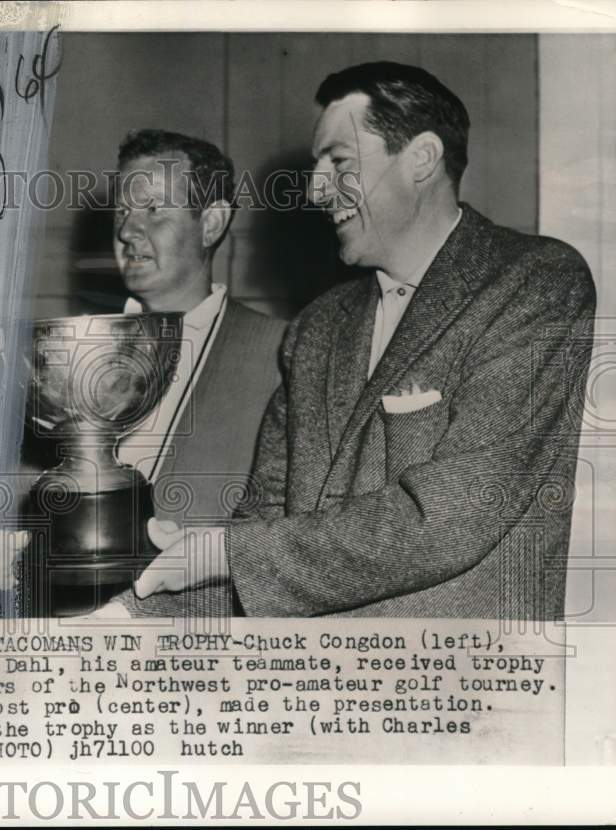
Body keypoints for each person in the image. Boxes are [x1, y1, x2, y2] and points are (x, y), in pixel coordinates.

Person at [135, 62, 596, 619]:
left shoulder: (535, 282)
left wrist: (225, 553)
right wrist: (134, 612)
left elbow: (447, 520)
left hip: (463, 687)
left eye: (340, 162)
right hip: (310, 686)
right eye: (315, 165)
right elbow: (264, 535)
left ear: (421, 158)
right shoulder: (316, 327)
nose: (314, 188)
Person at [109, 129, 287, 617]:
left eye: (153, 211)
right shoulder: (73, 348)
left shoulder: (284, 355)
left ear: (210, 223)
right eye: (122, 211)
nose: (128, 230)